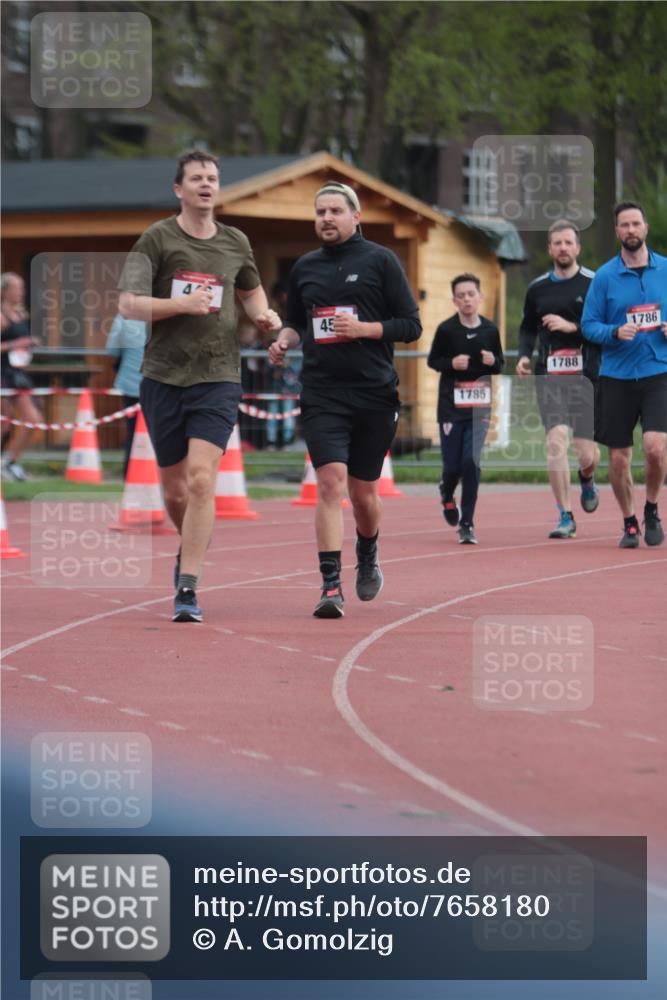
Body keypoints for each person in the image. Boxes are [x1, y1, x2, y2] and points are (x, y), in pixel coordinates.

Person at [118, 151, 281, 622]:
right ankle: (186, 547)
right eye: (196, 178)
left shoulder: (235, 242)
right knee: (174, 492)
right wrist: (179, 306)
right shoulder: (158, 237)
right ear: (179, 188)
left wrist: (265, 316)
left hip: (219, 375)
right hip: (164, 375)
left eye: (212, 178)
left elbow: (250, 291)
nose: (206, 185)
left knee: (201, 479)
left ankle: (188, 587)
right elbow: (128, 304)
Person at [268, 181, 422, 619]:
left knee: (363, 493)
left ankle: (368, 551)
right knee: (330, 482)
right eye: (320, 212)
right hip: (322, 392)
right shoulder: (305, 267)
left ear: (356, 217)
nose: (326, 218)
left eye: (335, 211)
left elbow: (411, 325)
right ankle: (330, 583)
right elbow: (296, 320)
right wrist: (283, 339)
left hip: (374, 392)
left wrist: (365, 330)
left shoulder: (381, 261)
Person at [582, 201, 667, 548]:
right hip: (616, 375)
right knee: (619, 458)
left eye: (636, 224)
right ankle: (629, 520)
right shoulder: (604, 276)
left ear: (645, 227)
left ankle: (651, 508)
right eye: (624, 225)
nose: (630, 230)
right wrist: (615, 332)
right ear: (617, 231)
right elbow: (588, 326)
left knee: (655, 448)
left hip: (657, 370)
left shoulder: (665, 269)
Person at [516, 220, 600, 539]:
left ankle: (588, 478)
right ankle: (565, 515)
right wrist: (524, 355)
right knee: (555, 442)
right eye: (557, 243)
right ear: (549, 248)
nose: (562, 248)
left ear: (577, 247)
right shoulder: (537, 288)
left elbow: (604, 328)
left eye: (568, 242)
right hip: (549, 375)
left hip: (586, 376)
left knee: (587, 454)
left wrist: (571, 328)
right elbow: (526, 327)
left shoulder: (594, 283)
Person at [427, 273, 504, 544]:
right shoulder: (447, 330)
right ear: (454, 300)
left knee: (471, 462)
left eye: (471, 294)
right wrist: (451, 363)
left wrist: (493, 360)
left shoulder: (490, 330)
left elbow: (499, 365)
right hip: (451, 406)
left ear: (480, 297)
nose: (467, 299)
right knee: (452, 467)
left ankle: (467, 523)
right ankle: (447, 493)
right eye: (461, 295)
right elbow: (433, 361)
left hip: (479, 407)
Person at [1, 272, 41, 481]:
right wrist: (15, 345)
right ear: (5, 291)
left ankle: (10, 462)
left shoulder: (20, 314)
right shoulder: (1, 316)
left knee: (33, 419)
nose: (22, 293)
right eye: (18, 288)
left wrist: (29, 343)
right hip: (2, 374)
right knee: (4, 423)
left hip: (17, 373)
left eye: (23, 288)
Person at [106, 313, 146, 478]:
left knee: (133, 433)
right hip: (161, 384)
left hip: (131, 384)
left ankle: (130, 474)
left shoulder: (123, 318)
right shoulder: (168, 312)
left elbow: (112, 351)